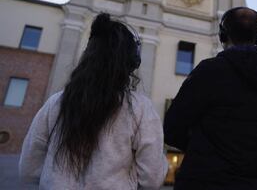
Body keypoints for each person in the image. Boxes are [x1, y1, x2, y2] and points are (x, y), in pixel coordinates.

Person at [19, 13, 167, 189]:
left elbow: (28, 168)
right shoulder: (139, 108)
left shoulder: (55, 103)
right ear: (130, 62)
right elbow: (153, 177)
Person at [164, 7, 257, 190]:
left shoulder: (210, 70)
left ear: (222, 36)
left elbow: (172, 128)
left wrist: (202, 149)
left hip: (206, 181)